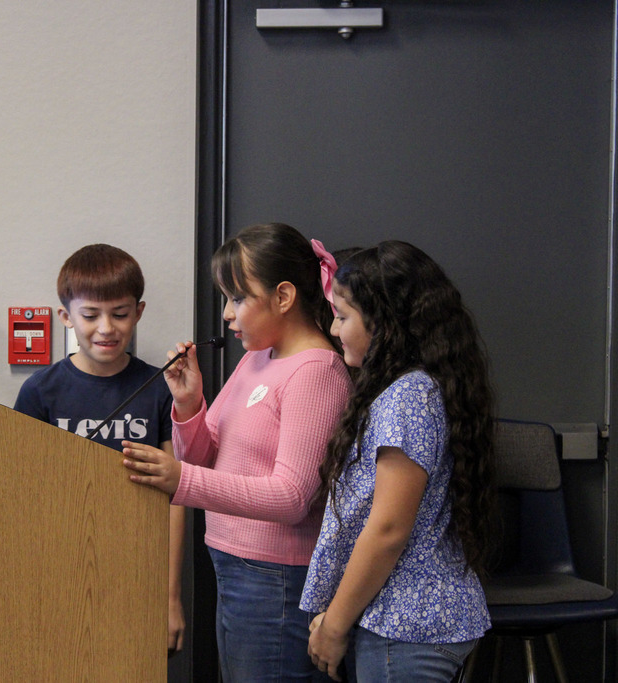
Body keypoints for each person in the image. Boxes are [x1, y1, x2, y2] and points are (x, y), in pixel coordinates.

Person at [122, 223, 352, 682]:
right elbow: (202, 457)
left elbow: (291, 498)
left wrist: (180, 482)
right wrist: (188, 404)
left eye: (238, 299)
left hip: (275, 579)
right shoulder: (258, 357)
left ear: (284, 297)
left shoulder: (316, 371)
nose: (227, 315)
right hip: (233, 567)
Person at [300, 241, 496, 682]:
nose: (333, 330)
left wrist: (334, 625)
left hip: (407, 626)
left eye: (343, 316)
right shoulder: (420, 389)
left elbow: (388, 530)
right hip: (414, 621)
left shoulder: (407, 397)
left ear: (384, 323)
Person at [12, 243, 187, 657]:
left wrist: (170, 596)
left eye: (120, 314)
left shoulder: (162, 388)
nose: (106, 328)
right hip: (56, 572)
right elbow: (21, 492)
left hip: (139, 571)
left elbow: (178, 497)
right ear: (66, 317)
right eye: (90, 315)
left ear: (139, 313)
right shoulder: (40, 391)